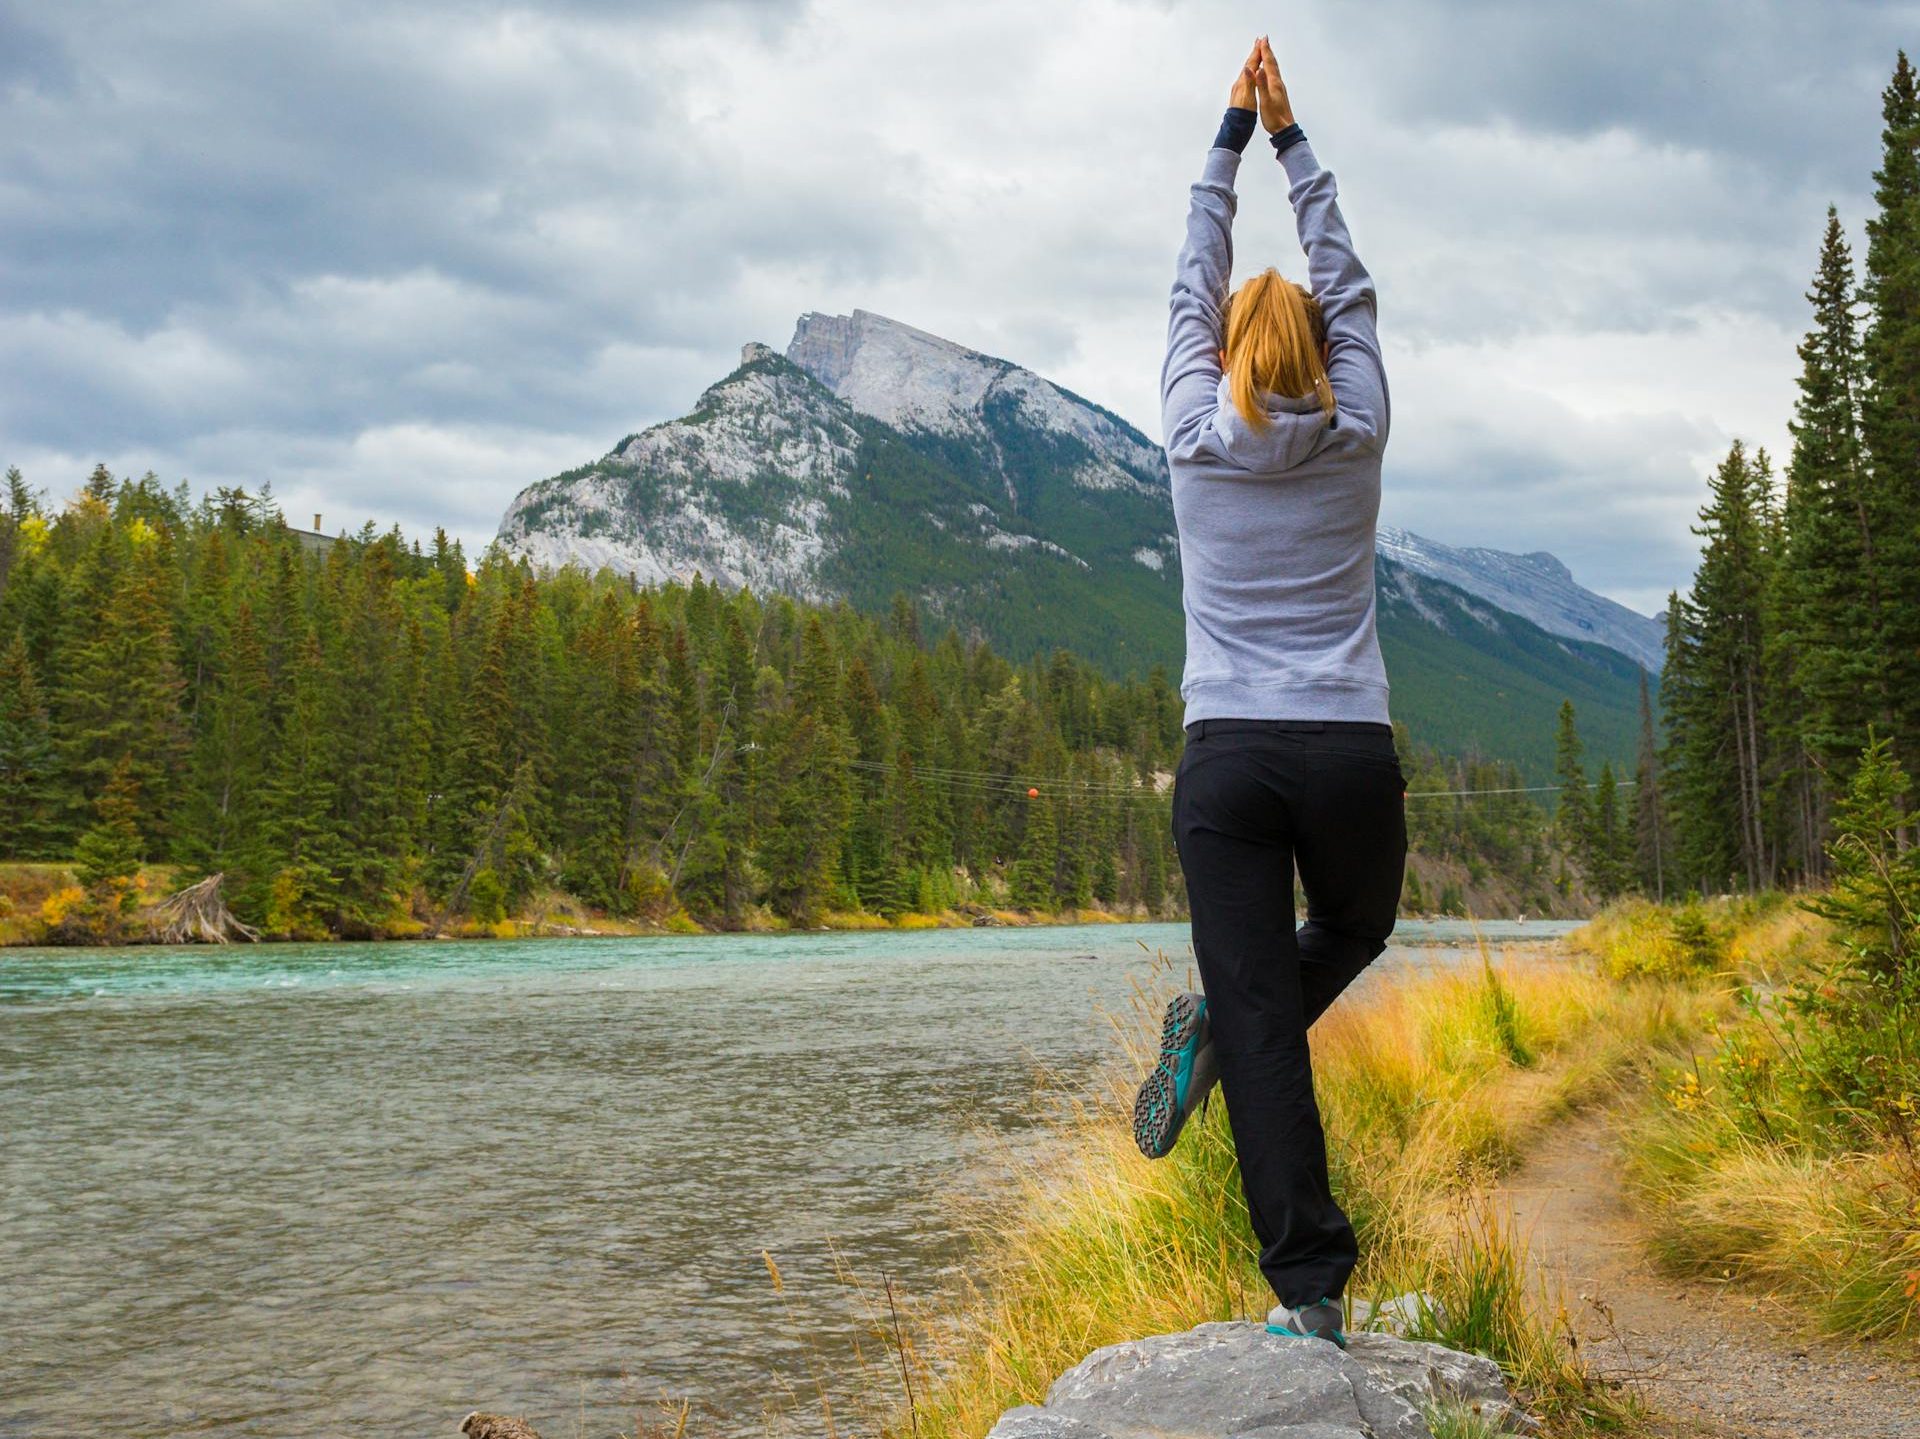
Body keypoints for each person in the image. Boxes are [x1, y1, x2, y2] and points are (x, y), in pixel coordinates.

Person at [1130, 36, 1407, 1351]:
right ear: (1323, 353)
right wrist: (1298, 143)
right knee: (1352, 927)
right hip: (1349, 748)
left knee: (1254, 1019)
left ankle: (1311, 1297)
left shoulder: (1194, 436)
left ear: (1230, 348)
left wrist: (1228, 144)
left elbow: (1188, 294)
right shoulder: (1358, 431)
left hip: (1229, 758)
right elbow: (1350, 289)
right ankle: (1227, 1026)